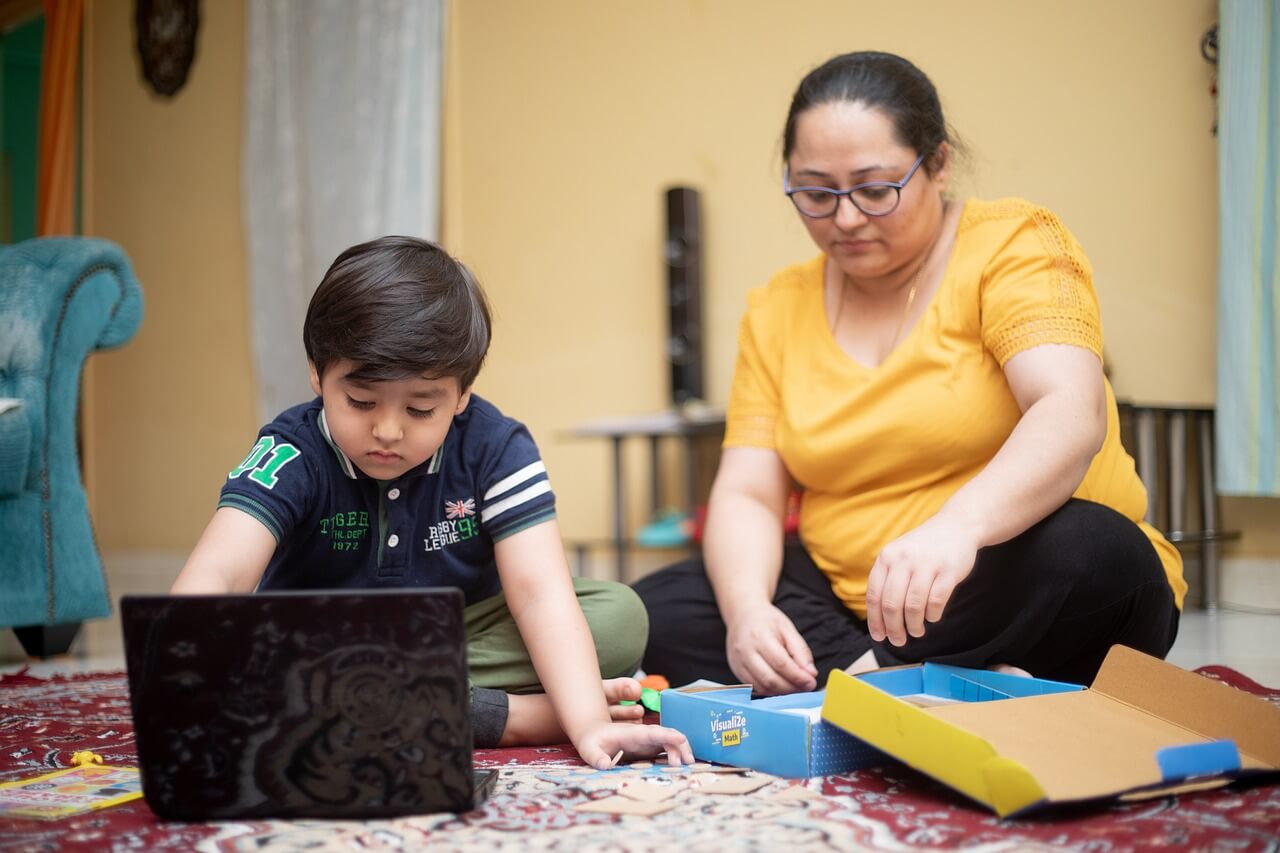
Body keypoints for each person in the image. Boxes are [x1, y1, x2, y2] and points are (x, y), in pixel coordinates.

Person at [635, 51, 1184, 693]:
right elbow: (749, 493)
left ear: (940, 165)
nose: (845, 218)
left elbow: (1070, 412)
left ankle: (865, 680)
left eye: (875, 189)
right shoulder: (778, 305)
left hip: (995, 579)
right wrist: (749, 614)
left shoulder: (1013, 243)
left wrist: (958, 528)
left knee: (1095, 549)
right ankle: (926, 679)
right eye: (815, 192)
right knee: (659, 606)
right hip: (856, 602)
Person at [172, 235, 692, 769]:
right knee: (252, 654)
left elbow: (539, 594)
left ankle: (375, 704)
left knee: (618, 616)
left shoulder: (496, 445)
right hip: (320, 647)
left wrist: (587, 725)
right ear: (316, 372)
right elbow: (218, 575)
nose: (388, 430)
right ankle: (511, 716)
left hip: (451, 637)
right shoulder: (291, 451)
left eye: (421, 409)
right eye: (360, 401)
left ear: (462, 394)